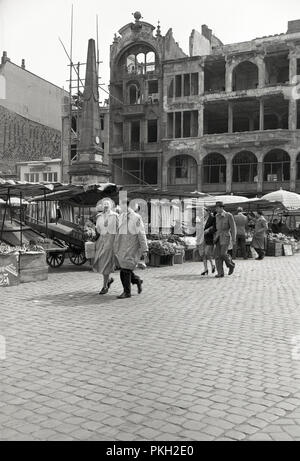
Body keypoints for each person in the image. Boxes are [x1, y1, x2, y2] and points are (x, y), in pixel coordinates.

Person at [114, 200, 148, 299]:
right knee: (126, 268)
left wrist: (144, 248)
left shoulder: (136, 217)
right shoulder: (121, 216)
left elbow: (141, 233)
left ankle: (127, 292)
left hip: (132, 246)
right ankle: (137, 280)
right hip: (122, 246)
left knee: (124, 270)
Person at [93, 200, 118, 295]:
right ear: (102, 206)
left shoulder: (115, 216)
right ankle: (108, 280)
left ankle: (105, 286)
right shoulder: (98, 217)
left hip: (111, 240)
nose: (106, 206)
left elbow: (119, 230)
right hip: (101, 240)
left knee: (106, 263)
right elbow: (98, 229)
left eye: (107, 204)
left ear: (111, 206)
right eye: (104, 204)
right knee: (102, 262)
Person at [214, 201, 236, 278]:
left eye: (217, 208)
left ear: (221, 208)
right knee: (217, 256)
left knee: (223, 253)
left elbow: (233, 228)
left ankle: (231, 265)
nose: (216, 209)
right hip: (218, 237)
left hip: (226, 236)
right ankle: (220, 273)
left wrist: (234, 239)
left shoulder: (228, 215)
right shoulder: (216, 216)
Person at [196, 208, 216, 276]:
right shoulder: (201, 219)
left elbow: (215, 227)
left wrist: (208, 230)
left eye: (203, 212)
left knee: (207, 253)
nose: (202, 213)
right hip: (202, 238)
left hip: (209, 238)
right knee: (203, 254)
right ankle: (205, 269)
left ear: (208, 211)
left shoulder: (212, 218)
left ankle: (213, 265)